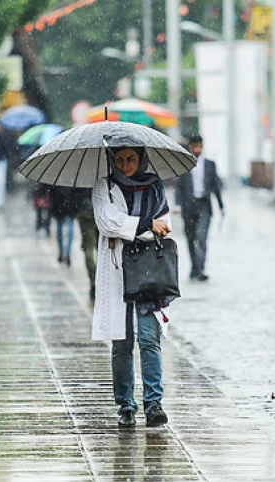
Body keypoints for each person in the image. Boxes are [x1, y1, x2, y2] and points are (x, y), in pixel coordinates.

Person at [92, 145, 172, 428]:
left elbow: (165, 224)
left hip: (148, 271)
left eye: (131, 159)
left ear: (141, 159)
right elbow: (106, 222)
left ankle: (153, 403)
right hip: (117, 271)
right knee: (122, 344)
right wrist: (146, 225)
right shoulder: (104, 186)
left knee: (150, 339)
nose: (125, 165)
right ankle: (125, 404)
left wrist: (134, 227)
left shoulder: (154, 187)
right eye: (120, 159)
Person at [174, 134, 224, 281]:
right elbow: (179, 187)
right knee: (191, 238)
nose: (197, 149)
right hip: (188, 206)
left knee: (201, 238)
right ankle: (194, 267)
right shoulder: (183, 164)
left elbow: (216, 185)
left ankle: (200, 269)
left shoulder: (210, 164)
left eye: (199, 146)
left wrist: (221, 205)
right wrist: (177, 204)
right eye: (194, 146)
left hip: (204, 205)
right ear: (190, 147)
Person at [74, 187, 99, 300]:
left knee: (88, 248)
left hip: (84, 212)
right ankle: (98, 279)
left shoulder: (80, 175)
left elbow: (74, 195)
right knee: (102, 249)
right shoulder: (104, 173)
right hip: (99, 212)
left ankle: (93, 279)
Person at [49, 185, 79, 265]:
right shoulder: (73, 179)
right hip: (64, 207)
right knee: (66, 232)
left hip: (65, 208)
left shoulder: (58, 179)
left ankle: (65, 253)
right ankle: (64, 253)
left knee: (66, 232)